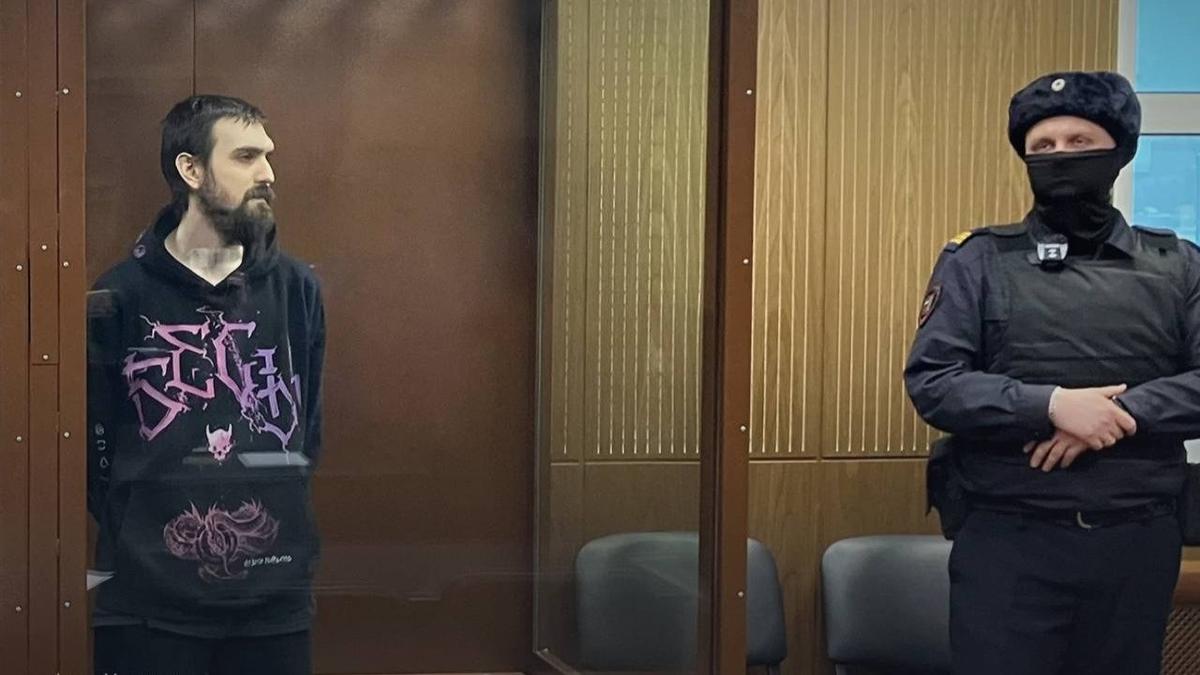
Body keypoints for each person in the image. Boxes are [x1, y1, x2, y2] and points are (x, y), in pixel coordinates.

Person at [905, 71, 1196, 675]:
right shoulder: (978, 260)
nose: (1060, 156)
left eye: (1079, 142)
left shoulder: (1178, 265)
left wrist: (1119, 414)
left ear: (1119, 151)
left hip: (1134, 545)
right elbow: (934, 381)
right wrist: (1052, 405)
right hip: (1008, 543)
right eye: (1043, 146)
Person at [87, 95, 326, 675]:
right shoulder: (120, 295)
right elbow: (95, 445)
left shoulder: (295, 288)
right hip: (147, 603)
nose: (267, 173)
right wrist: (137, 531)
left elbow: (307, 427)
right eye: (245, 157)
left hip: (274, 598)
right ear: (191, 169)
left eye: (268, 156)